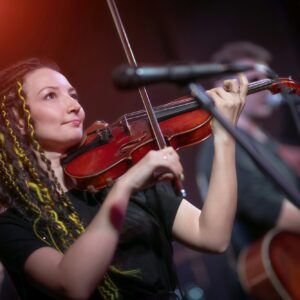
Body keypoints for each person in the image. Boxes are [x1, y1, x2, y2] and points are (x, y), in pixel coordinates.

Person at [0, 57, 247, 300]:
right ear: (19, 119)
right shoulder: (14, 223)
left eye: (72, 94)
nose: (74, 105)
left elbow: (212, 236)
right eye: (50, 96)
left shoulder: (120, 169)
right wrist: (125, 187)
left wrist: (225, 137)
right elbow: (72, 284)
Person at [196, 41, 300, 300]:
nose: (266, 88)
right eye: (254, 80)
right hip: (277, 275)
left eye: (266, 78)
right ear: (225, 87)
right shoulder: (224, 148)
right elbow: (269, 208)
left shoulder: (263, 140)